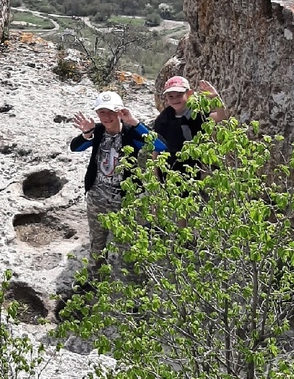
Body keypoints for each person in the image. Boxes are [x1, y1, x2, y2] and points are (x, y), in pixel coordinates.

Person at [70, 90, 165, 263]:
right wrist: (86, 134)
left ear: (120, 111)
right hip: (97, 198)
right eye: (102, 112)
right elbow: (75, 147)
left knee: (126, 245)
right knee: (97, 243)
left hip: (124, 200)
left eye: (111, 111)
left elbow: (160, 145)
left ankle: (129, 277)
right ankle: (94, 275)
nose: (106, 117)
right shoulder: (97, 131)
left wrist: (134, 122)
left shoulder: (131, 133)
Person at [153, 75, 228, 166]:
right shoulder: (163, 119)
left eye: (179, 95)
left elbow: (221, 116)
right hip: (169, 166)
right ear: (166, 98)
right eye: (171, 96)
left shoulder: (197, 112)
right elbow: (157, 146)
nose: (175, 99)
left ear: (189, 94)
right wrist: (155, 169)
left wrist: (215, 97)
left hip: (195, 166)